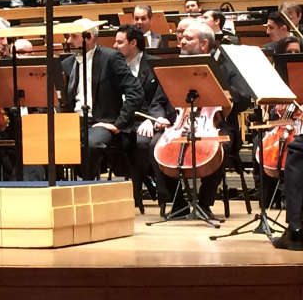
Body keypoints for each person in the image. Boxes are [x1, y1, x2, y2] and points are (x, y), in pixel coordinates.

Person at [161, 21, 250, 218]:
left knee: (217, 147)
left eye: (188, 38)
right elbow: (160, 98)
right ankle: (179, 204)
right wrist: (160, 118)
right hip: (181, 123)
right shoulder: (176, 66)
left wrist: (219, 89)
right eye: (181, 37)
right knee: (153, 147)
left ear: (204, 44)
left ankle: (204, 203)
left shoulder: (227, 67)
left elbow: (244, 99)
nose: (181, 41)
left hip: (218, 124)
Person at [61, 18, 143, 180]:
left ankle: (87, 187)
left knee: (91, 145)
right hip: (72, 121)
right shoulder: (67, 63)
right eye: (68, 36)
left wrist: (118, 124)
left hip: (101, 121)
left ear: (89, 37)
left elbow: (135, 91)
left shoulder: (110, 57)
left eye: (73, 36)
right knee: (45, 143)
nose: (69, 41)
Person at [113, 24, 173, 212]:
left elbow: (159, 99)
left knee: (142, 143)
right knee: (108, 144)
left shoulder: (154, 64)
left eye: (120, 42)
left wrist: (152, 119)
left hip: (147, 119)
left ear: (133, 43)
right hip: (121, 119)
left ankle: (153, 190)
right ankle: (139, 181)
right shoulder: (114, 65)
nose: (115, 46)